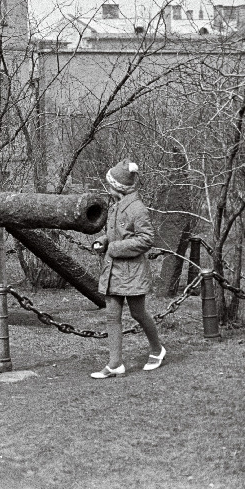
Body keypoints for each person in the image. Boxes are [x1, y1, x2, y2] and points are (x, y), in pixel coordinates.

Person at [91, 159, 165, 379]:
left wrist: (113, 247)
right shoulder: (115, 205)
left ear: (118, 186)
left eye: (110, 183)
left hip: (132, 273)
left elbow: (146, 239)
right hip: (113, 271)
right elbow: (116, 235)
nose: (108, 186)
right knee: (112, 316)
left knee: (138, 313)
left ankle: (157, 350)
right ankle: (115, 364)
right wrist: (103, 241)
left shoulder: (137, 208)